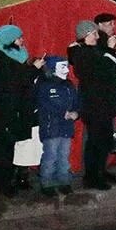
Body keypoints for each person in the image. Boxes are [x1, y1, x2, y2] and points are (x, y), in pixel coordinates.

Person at [0, 25, 43, 196]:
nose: (22, 40)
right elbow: (15, 82)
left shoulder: (14, 56)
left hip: (17, 109)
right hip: (7, 111)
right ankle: (4, 184)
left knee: (14, 146)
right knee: (5, 148)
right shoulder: (3, 60)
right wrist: (34, 69)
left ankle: (14, 179)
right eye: (19, 38)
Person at [69, 20, 116, 190]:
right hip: (94, 105)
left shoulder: (95, 50)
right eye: (94, 33)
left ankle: (100, 170)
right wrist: (112, 51)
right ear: (86, 35)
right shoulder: (82, 54)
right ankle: (92, 176)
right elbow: (101, 70)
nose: (98, 36)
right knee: (96, 141)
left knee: (104, 140)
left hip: (103, 103)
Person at [34, 56, 80, 196]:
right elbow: (44, 105)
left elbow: (76, 101)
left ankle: (63, 180)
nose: (66, 70)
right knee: (51, 155)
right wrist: (62, 113)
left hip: (66, 127)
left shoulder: (69, 85)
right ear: (52, 69)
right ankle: (47, 182)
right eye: (62, 67)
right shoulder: (44, 85)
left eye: (67, 66)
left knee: (64, 155)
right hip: (51, 127)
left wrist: (76, 113)